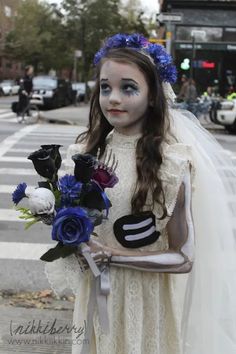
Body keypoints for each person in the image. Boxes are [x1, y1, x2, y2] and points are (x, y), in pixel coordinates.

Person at [46, 34, 236, 354]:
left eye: (128, 88)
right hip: (95, 294)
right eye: (106, 87)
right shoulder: (85, 154)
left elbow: (184, 256)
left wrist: (113, 256)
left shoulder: (172, 162)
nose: (113, 98)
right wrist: (73, 239)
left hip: (146, 301)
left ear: (152, 96)